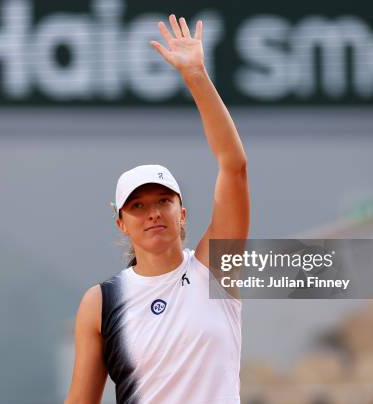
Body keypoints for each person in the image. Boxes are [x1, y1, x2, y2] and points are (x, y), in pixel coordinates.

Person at [65, 14, 250, 404]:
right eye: (138, 205)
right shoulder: (100, 302)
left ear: (182, 214)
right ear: (121, 223)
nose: (152, 212)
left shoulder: (214, 270)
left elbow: (233, 167)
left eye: (164, 201)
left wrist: (196, 77)